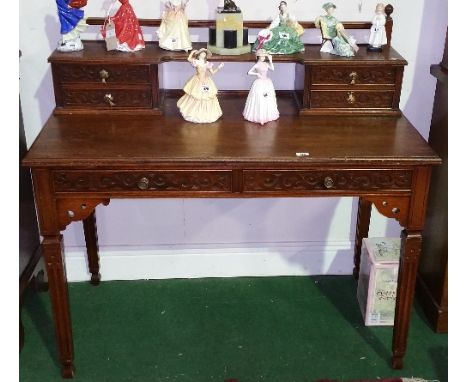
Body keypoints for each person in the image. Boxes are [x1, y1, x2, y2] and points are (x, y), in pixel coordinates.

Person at [177, 49, 224, 123]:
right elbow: (189, 59)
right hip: (197, 80)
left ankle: (207, 113)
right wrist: (192, 52)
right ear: (199, 55)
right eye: (202, 53)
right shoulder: (196, 62)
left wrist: (219, 67)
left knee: (206, 96)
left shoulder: (207, 63)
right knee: (196, 95)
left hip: (206, 80)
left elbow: (212, 72)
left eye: (204, 54)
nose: (203, 55)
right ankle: (192, 112)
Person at [243, 49, 279, 125]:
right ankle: (258, 115)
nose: (263, 58)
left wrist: (271, 61)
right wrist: (256, 74)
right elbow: (249, 72)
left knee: (267, 97)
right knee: (260, 97)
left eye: (264, 57)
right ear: (258, 57)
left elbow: (272, 69)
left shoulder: (266, 64)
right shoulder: (257, 65)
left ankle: (267, 114)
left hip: (267, 82)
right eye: (261, 57)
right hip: (259, 83)